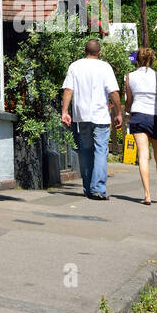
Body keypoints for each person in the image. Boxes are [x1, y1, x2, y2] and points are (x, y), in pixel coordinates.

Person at [61, 38, 123, 200]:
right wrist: (118, 113)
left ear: (85, 51)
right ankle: (98, 189)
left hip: (81, 116)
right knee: (101, 151)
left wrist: (65, 111)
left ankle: (88, 187)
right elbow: (113, 92)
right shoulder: (105, 67)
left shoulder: (75, 66)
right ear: (99, 52)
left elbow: (68, 89)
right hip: (100, 116)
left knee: (85, 152)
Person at [125, 47, 157, 204]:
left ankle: (147, 195)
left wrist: (129, 109)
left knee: (143, 155)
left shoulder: (129, 77)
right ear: (152, 60)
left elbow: (128, 102)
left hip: (139, 117)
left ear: (137, 61)